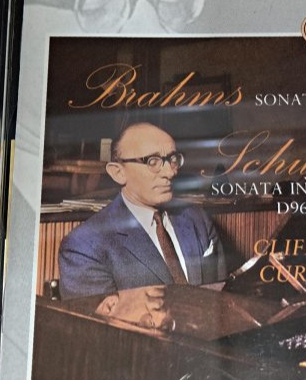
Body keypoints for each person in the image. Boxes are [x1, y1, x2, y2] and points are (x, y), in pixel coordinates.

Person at [58, 123, 226, 303]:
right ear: (118, 173)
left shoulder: (197, 219)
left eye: (173, 159)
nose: (170, 172)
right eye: (152, 162)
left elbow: (222, 301)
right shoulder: (83, 246)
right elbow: (99, 320)